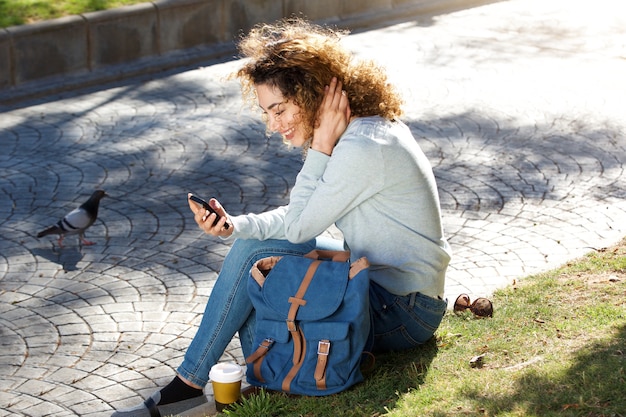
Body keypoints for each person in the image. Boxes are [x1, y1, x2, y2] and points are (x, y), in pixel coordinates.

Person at [112, 18, 451, 417]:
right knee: (256, 259)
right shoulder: (357, 134)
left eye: (280, 110)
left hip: (404, 310)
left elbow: (300, 229)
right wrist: (237, 225)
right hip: (379, 287)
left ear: (313, 96)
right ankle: (235, 378)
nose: (273, 126)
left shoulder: (360, 147)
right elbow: (299, 217)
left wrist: (321, 148)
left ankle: (191, 384)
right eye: (267, 113)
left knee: (265, 268)